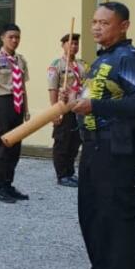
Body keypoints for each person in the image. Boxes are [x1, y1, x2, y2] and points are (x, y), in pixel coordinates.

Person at [69, 2, 135, 269]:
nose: (96, 27)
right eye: (94, 21)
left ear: (124, 26)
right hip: (93, 146)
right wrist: (76, 101)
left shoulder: (129, 59)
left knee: (118, 216)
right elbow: (95, 98)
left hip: (118, 147)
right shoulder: (103, 60)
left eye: (104, 22)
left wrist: (95, 107)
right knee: (92, 212)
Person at [0, 24, 30, 204]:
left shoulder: (21, 60)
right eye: (11, 37)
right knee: (1, 146)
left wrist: (26, 109)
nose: (14, 40)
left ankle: (8, 183)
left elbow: (23, 86)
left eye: (17, 37)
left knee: (15, 146)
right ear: (2, 38)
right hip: (2, 104)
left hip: (17, 104)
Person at [48, 33, 84, 187]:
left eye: (76, 44)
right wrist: (55, 111)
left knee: (75, 141)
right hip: (63, 107)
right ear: (63, 45)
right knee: (62, 142)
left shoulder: (82, 65)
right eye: (70, 43)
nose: (73, 46)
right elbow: (52, 89)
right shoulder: (57, 65)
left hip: (78, 108)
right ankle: (61, 175)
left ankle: (70, 172)